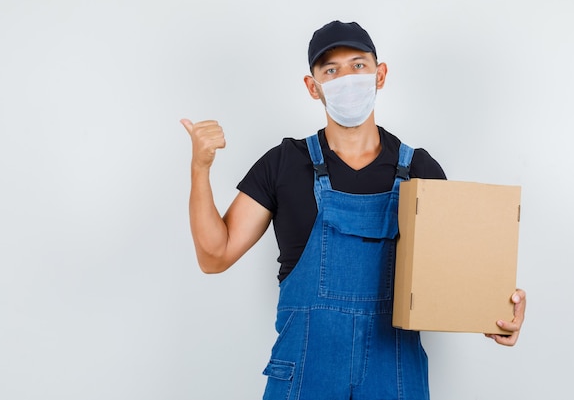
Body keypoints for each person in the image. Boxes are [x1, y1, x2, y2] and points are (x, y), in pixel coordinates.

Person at [181, 20, 526, 400]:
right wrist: (200, 169)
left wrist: (496, 312)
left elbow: (454, 280)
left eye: (358, 65)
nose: (347, 78)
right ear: (313, 87)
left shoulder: (421, 172)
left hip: (393, 375)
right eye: (331, 70)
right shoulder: (282, 164)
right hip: (305, 373)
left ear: (380, 75)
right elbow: (214, 256)